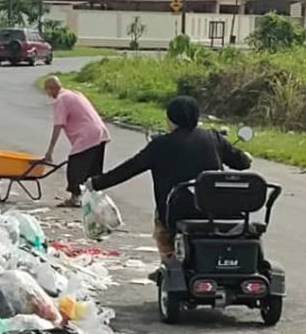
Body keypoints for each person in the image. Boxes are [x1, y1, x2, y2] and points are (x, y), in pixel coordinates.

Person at [87, 96, 252, 260]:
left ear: (171, 119)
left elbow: (129, 169)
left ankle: (168, 260)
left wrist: (97, 183)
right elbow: (242, 163)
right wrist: (245, 157)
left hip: (176, 213)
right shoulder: (213, 138)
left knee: (161, 221)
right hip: (214, 210)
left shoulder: (159, 145)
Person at [42, 76, 110, 207]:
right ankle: (93, 198)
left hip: (87, 134)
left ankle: (75, 197)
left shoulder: (61, 100)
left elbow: (58, 125)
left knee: (75, 166)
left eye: (47, 91)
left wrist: (50, 150)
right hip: (100, 132)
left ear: (51, 89)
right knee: (92, 168)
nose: (48, 95)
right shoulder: (75, 94)